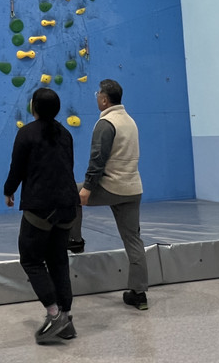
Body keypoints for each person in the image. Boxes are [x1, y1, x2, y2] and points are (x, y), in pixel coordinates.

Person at [4, 88, 80, 344]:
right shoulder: (66, 134)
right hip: (68, 206)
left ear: (34, 107)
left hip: (40, 206)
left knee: (31, 260)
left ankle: (54, 313)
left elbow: (17, 168)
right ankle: (66, 319)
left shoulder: (26, 133)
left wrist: (9, 191)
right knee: (58, 260)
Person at [68, 78, 149, 310]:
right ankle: (139, 294)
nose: (96, 97)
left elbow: (97, 161)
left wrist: (87, 188)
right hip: (133, 189)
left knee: (70, 194)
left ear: (104, 100)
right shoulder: (130, 121)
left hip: (111, 187)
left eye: (98, 94)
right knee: (133, 240)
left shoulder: (105, 124)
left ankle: (75, 241)